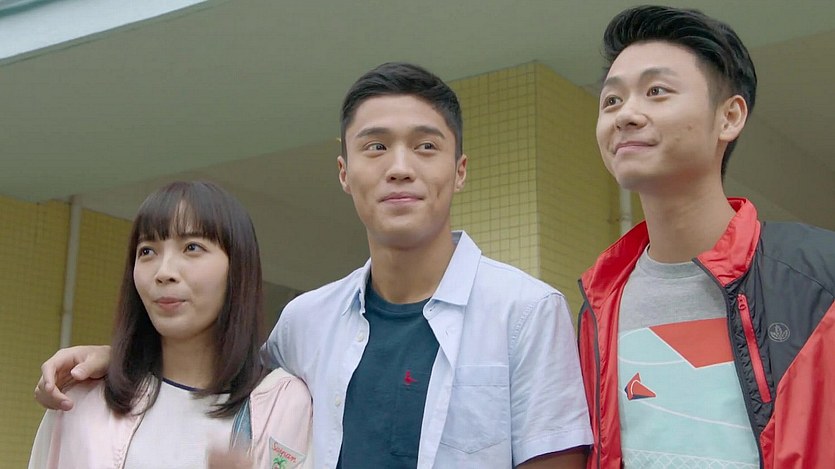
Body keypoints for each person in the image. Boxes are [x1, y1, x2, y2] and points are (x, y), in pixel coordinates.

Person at [34, 63, 592, 468]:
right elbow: (217, 371)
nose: (400, 167)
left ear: (460, 170)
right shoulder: (305, 321)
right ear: (345, 173)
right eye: (375, 147)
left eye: (426, 147)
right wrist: (119, 359)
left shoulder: (526, 312)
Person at [578, 5, 835, 469]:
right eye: (611, 100)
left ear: (729, 117)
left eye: (656, 92)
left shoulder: (819, 277)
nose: (626, 115)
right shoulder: (599, 303)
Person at [29, 181, 312, 468]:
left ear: (238, 267)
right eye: (147, 251)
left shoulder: (281, 404)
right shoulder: (81, 399)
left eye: (192, 247)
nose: (164, 272)